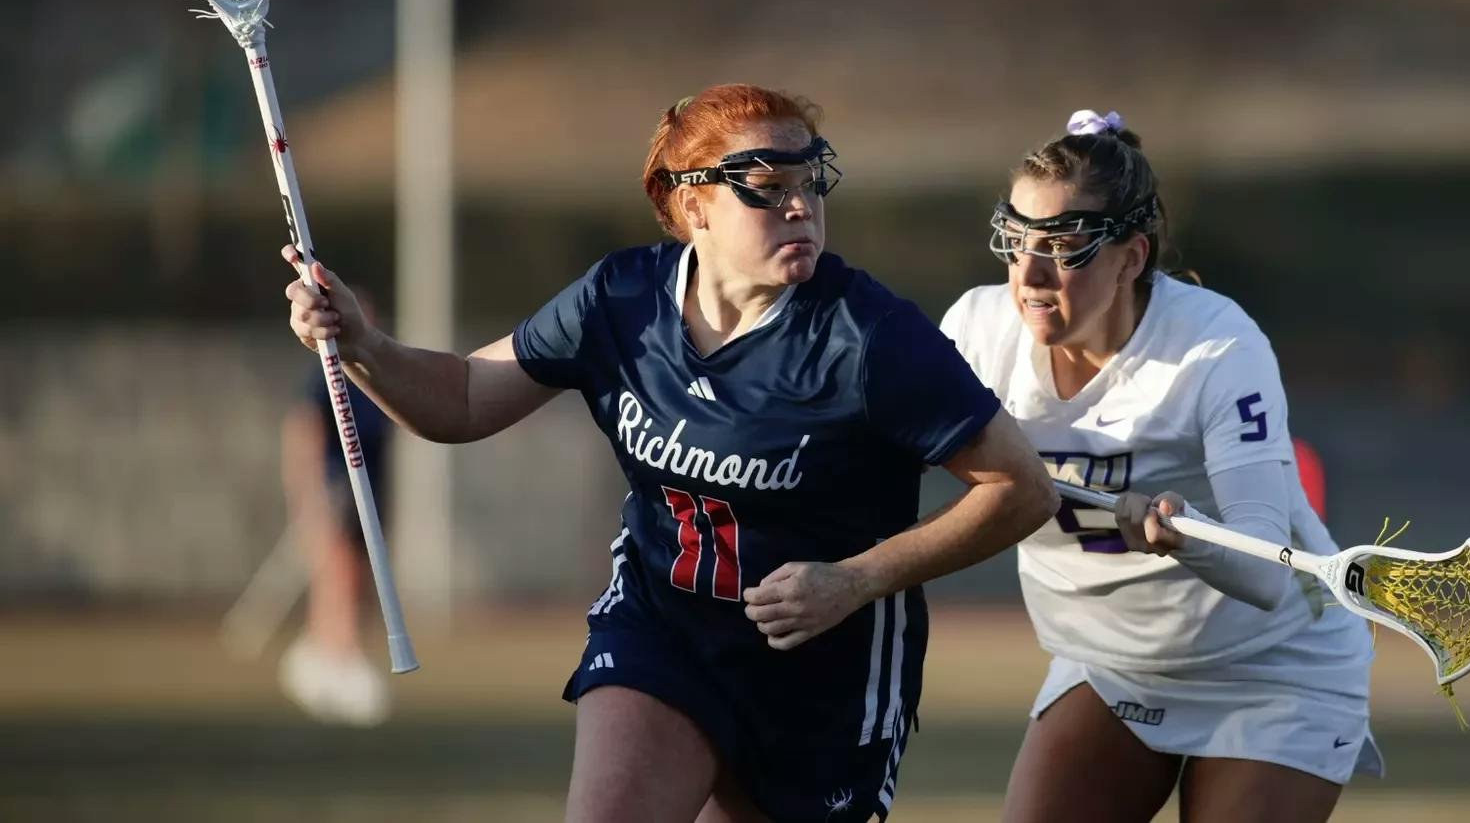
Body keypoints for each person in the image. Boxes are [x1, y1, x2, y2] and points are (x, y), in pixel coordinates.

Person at [281, 83, 1057, 823]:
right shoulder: (618, 300)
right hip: (664, 629)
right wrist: (360, 343)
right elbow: (462, 399)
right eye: (765, 183)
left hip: (822, 669)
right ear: (694, 207)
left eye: (812, 180)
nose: (800, 204)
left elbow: (1020, 489)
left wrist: (854, 580)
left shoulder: (872, 336)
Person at [940, 109, 1382, 823]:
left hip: (1271, 666)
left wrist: (1189, 535)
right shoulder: (976, 330)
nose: (1030, 273)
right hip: (1110, 665)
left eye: (1064, 245)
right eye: (1016, 241)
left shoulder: (1217, 348)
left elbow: (1267, 574)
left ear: (1133, 256)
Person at [276, 284, 394, 726]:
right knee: (337, 570)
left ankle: (334, 655)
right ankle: (337, 657)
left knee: (359, 574)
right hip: (338, 485)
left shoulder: (376, 367)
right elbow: (304, 427)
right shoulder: (327, 369)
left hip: (374, 489)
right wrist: (307, 493)